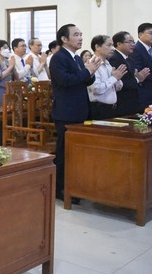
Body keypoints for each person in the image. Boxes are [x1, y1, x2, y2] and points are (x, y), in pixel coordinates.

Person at [49, 24, 101, 201]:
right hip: (66, 112)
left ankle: (75, 185)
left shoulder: (77, 58)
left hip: (80, 110)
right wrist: (87, 71)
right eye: (76, 35)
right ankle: (59, 189)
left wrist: (91, 71)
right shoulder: (58, 58)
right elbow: (65, 81)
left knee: (77, 152)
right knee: (65, 152)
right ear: (64, 39)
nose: (80, 38)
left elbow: (84, 81)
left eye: (81, 34)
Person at [108, 31, 147, 117]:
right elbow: (119, 84)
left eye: (133, 42)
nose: (133, 44)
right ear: (118, 44)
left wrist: (138, 78)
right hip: (122, 104)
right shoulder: (114, 59)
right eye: (129, 42)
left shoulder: (129, 59)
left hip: (132, 104)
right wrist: (137, 79)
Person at [87, 35, 126, 120]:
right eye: (109, 45)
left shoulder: (108, 63)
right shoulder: (92, 64)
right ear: (97, 47)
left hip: (111, 108)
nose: (113, 48)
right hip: (99, 109)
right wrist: (114, 78)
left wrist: (117, 79)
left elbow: (118, 88)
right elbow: (97, 89)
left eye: (112, 45)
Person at [0, 39, 15, 105]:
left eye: (7, 47)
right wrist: (11, 66)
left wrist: (13, 66)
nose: (7, 49)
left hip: (9, 89)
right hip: (0, 89)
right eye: (4, 47)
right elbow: (0, 76)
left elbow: (14, 76)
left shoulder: (7, 61)